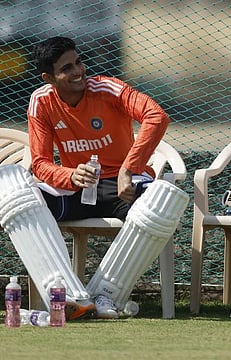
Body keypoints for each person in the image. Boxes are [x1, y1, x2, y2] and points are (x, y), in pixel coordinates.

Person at [0, 36, 189, 320]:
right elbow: (39, 163)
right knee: (11, 180)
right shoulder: (41, 102)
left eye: (78, 62)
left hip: (121, 184)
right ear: (48, 77)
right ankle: (65, 296)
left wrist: (130, 167)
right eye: (67, 68)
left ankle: (105, 296)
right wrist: (70, 175)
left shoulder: (107, 88)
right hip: (77, 187)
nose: (78, 71)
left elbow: (156, 116)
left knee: (164, 200)